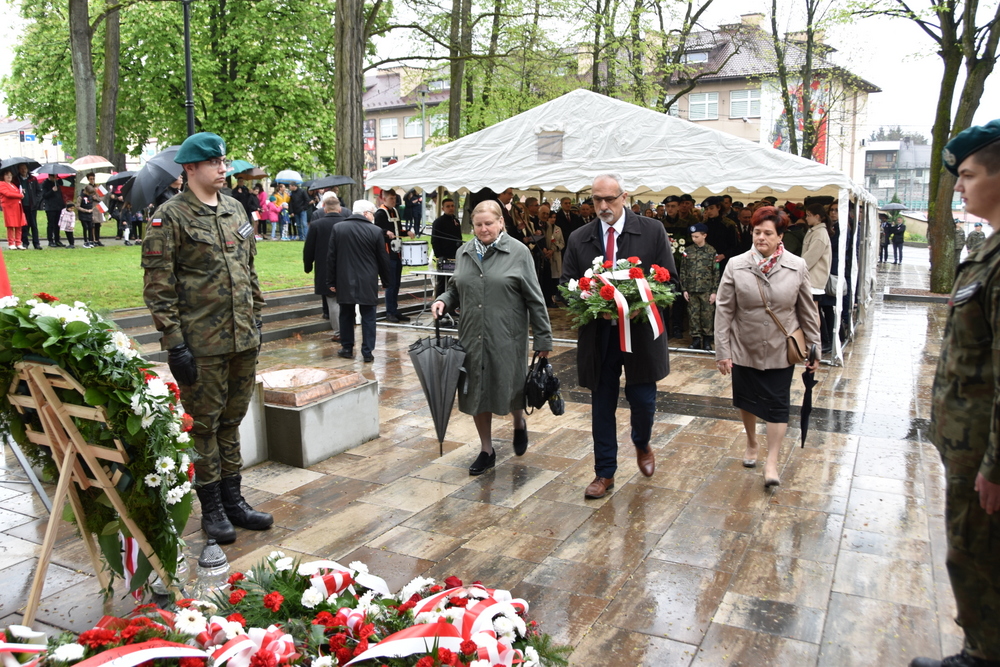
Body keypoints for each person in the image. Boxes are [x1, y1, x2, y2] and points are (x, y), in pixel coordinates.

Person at [141, 132, 272, 545]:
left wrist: (257, 316)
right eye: (214, 162)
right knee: (204, 427)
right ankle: (211, 507)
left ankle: (235, 502)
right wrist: (175, 344)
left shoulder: (235, 209)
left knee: (232, 422)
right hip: (202, 343)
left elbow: (248, 269)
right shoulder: (170, 217)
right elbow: (158, 288)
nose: (223, 168)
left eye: (224, 161)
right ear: (190, 168)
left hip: (242, 338)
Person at [914, 119, 1000, 667]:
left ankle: (983, 654)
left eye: (967, 175)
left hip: (983, 454)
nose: (960, 186)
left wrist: (996, 462)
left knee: (975, 554)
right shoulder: (990, 248)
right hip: (967, 444)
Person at [561, 173, 677, 499]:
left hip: (639, 337)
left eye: (610, 199)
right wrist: (588, 301)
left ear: (624, 197)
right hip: (600, 339)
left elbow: (670, 282)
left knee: (643, 401)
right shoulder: (580, 238)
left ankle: (642, 442)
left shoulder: (651, 231)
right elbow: (566, 286)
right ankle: (604, 472)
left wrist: (643, 303)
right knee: (602, 404)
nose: (603, 206)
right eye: (596, 199)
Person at [430, 200, 552, 475]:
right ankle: (487, 449)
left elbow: (535, 299)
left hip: (507, 337)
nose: (484, 229)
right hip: (471, 336)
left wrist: (543, 340)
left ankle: (518, 421)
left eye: (489, 224)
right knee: (476, 393)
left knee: (511, 388)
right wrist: (442, 301)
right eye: (478, 225)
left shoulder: (519, 252)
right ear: (472, 226)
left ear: (500, 223)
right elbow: (455, 289)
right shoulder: (464, 252)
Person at [714, 206, 821, 488]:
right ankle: (751, 443)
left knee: (777, 405)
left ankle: (772, 462)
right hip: (744, 346)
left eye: (767, 233)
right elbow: (724, 311)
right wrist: (723, 352)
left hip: (780, 348)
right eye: (756, 232)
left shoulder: (796, 265)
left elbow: (807, 311)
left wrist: (815, 349)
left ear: (780, 235)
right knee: (746, 399)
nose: (760, 237)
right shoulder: (736, 265)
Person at [327, 199, 391, 363]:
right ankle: (367, 351)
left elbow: (331, 257)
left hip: (344, 279)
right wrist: (386, 280)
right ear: (366, 213)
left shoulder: (338, 228)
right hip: (367, 280)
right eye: (372, 213)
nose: (374, 216)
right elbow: (382, 258)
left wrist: (331, 281)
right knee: (368, 316)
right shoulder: (375, 231)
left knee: (346, 314)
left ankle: (347, 347)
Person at [305, 193, 346, 341]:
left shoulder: (316, 225)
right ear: (339, 209)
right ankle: (346, 329)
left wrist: (308, 265)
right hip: (346, 266)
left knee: (332, 300)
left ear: (324, 209)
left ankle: (339, 332)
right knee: (344, 300)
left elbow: (309, 247)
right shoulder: (347, 223)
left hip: (325, 267)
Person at [374, 189, 415, 322]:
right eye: (391, 198)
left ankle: (395, 310)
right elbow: (376, 230)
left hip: (397, 253)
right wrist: (386, 232)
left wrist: (407, 232)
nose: (394, 200)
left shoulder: (395, 211)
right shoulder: (380, 213)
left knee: (397, 283)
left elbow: (398, 230)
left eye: (395, 198)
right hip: (388, 253)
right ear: (384, 199)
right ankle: (389, 312)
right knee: (391, 284)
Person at [802, 203, 834, 354]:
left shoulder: (820, 233)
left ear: (817, 216)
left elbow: (811, 257)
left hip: (813, 279)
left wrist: (797, 269)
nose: (806, 218)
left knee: (813, 311)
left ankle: (817, 342)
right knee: (812, 310)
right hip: (811, 277)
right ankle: (815, 341)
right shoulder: (815, 231)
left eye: (808, 215)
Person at [681, 223, 718, 351]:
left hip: (706, 289)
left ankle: (707, 339)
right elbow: (683, 270)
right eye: (692, 236)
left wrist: (714, 292)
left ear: (704, 235)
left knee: (707, 315)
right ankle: (696, 339)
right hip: (692, 289)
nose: (694, 239)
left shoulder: (712, 251)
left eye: (697, 236)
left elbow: (716, 272)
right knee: (693, 315)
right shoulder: (688, 251)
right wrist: (684, 288)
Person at [430, 198, 462, 297]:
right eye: (448, 206)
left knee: (454, 283)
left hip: (455, 256)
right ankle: (440, 308)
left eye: (452, 206)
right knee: (442, 283)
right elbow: (434, 241)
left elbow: (459, 238)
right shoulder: (438, 222)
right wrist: (439, 256)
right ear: (443, 208)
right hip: (444, 257)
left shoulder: (456, 221)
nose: (451, 208)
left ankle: (452, 308)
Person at [16, 164, 41, 250]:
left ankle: (36, 243)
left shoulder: (33, 179)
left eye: (25, 168)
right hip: (22, 206)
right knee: (24, 225)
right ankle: (25, 242)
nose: (23, 170)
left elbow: (38, 191)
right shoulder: (16, 180)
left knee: (34, 225)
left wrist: (36, 202)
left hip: (32, 206)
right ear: (19, 170)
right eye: (21, 169)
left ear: (27, 169)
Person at [0, 169, 27, 250]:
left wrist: (21, 192)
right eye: (7, 175)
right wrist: (19, 195)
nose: (9, 177)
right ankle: (11, 243)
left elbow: (16, 193)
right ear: (3, 176)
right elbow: (7, 194)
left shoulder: (13, 185)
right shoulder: (2, 184)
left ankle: (18, 242)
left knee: (19, 225)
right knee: (11, 225)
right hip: (9, 207)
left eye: (10, 175)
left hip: (17, 207)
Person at [41, 174, 66, 247]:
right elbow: (45, 195)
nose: (55, 178)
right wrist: (52, 190)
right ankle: (50, 240)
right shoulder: (45, 183)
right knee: (51, 224)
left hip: (58, 206)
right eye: (54, 177)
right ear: (50, 176)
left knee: (57, 224)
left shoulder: (57, 183)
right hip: (50, 207)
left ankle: (57, 239)